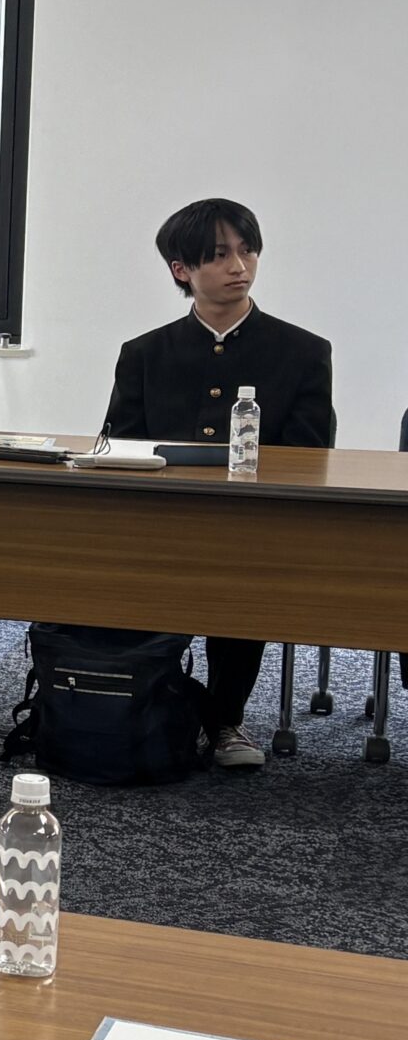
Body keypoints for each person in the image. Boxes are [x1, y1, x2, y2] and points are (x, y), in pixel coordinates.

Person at [104, 198, 335, 769]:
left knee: (241, 573)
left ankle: (224, 718)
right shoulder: (144, 353)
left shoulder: (303, 352)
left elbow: (308, 458)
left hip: (255, 526)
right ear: (182, 269)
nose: (239, 266)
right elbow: (121, 448)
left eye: (247, 250)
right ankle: (143, 704)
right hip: (161, 522)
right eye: (219, 255)